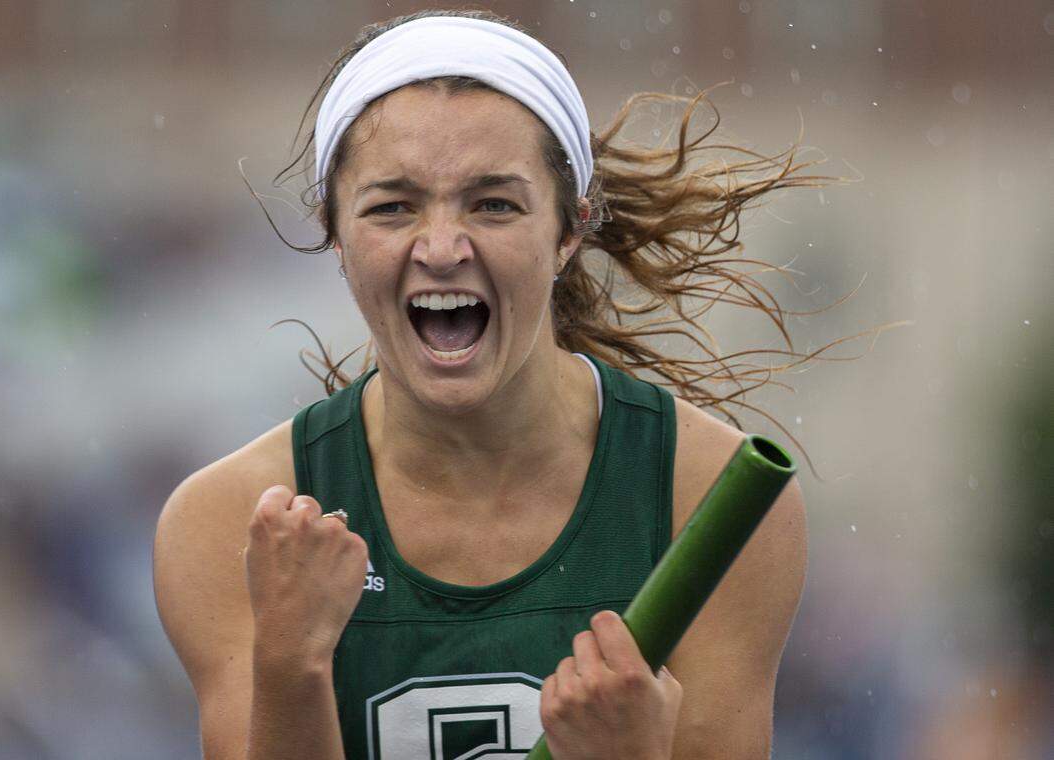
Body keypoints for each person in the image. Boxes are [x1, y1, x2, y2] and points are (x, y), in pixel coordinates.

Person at [154, 9, 821, 760]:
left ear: (571, 228)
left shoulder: (703, 497)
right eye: (392, 207)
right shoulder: (227, 523)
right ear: (334, 232)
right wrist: (292, 666)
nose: (442, 248)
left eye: (494, 204)